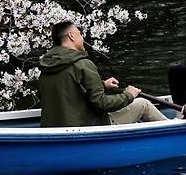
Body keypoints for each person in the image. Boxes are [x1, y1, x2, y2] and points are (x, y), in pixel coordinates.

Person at [39, 21, 168, 127]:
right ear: (71, 35)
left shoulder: (46, 67)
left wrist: (102, 85)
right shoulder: (82, 64)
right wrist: (128, 95)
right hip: (87, 126)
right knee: (143, 104)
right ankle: (173, 128)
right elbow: (102, 103)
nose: (83, 38)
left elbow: (68, 91)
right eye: (80, 34)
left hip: (56, 127)